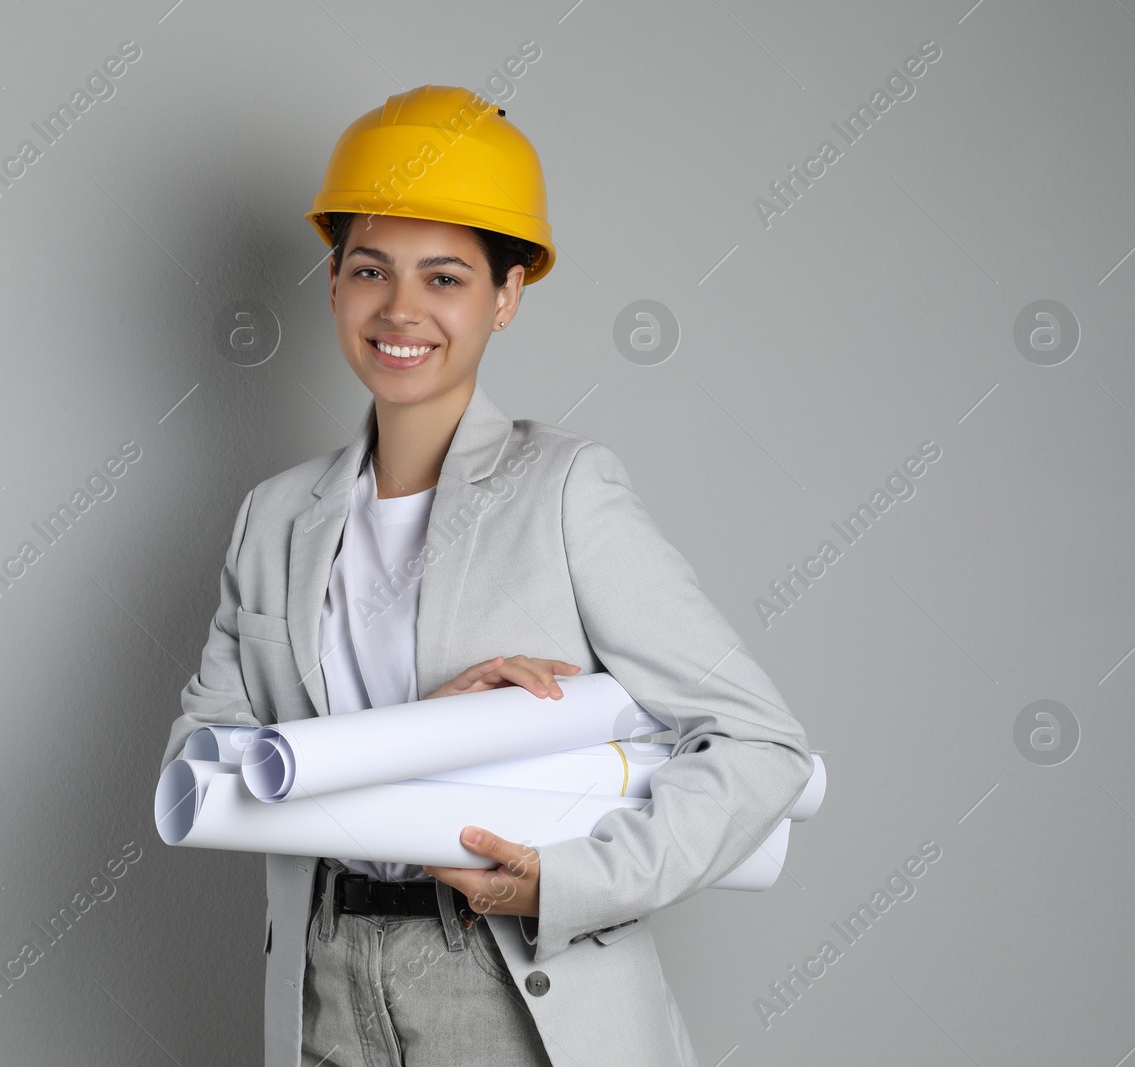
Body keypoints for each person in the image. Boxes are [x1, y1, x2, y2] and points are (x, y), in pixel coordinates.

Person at [160, 84, 814, 1067]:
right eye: (370, 268)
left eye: (446, 277)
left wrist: (565, 881)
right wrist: (420, 733)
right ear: (333, 285)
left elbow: (762, 746)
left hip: (505, 968)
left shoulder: (562, 491)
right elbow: (200, 755)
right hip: (323, 971)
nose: (401, 309)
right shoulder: (273, 515)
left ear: (506, 297)